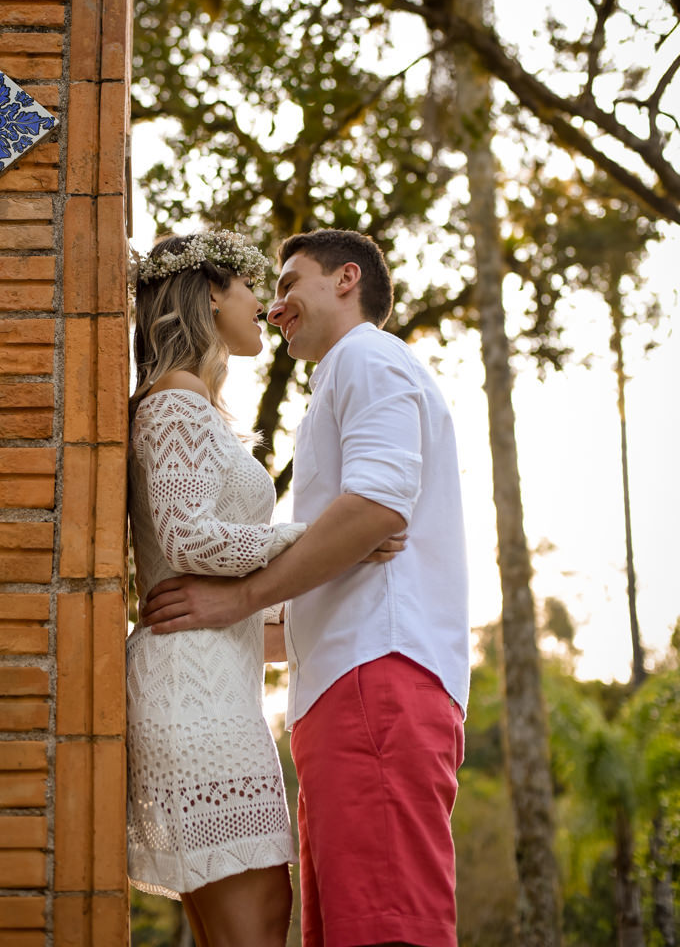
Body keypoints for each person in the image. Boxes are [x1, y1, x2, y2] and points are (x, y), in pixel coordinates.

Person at [144, 228, 471, 947]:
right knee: (349, 922)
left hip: (376, 677)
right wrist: (221, 622)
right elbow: (329, 569)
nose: (276, 303)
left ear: (346, 280)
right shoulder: (338, 378)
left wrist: (236, 599)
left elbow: (380, 509)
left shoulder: (366, 357)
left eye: (289, 283)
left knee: (385, 923)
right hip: (344, 688)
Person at [126, 229, 306, 947]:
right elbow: (189, 539)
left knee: (245, 924)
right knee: (259, 917)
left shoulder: (193, 405)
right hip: (191, 692)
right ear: (209, 294)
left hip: (217, 684)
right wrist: (311, 539)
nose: (264, 303)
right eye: (251, 287)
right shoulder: (174, 400)